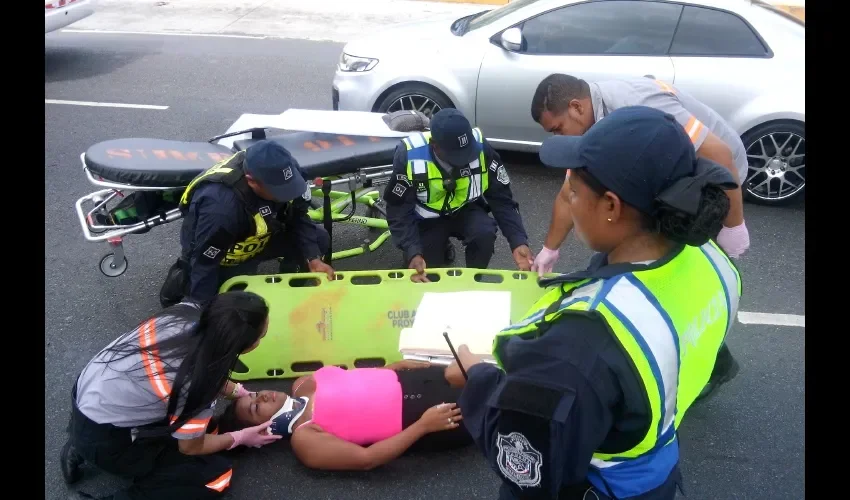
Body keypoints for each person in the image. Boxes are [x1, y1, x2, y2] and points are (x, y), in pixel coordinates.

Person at [444, 106, 743, 500]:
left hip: (598, 487)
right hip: (655, 470)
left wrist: (476, 377)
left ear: (611, 206)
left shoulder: (579, 346)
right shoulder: (712, 260)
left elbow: (529, 461)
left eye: (572, 191)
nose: (568, 200)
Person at [60, 291, 283, 500]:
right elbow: (190, 447)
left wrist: (236, 390)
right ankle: (91, 456)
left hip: (88, 395)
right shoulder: (198, 384)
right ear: (240, 346)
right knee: (214, 479)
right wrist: (239, 437)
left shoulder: (186, 312)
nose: (260, 397)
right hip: (102, 436)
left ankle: (78, 445)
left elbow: (197, 361)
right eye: (260, 337)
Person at [529, 73, 750, 272]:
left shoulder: (636, 104)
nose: (559, 137)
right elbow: (571, 191)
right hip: (670, 162)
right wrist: (550, 249)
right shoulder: (593, 123)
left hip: (721, 170)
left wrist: (733, 225)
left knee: (689, 248)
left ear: (576, 107)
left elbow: (719, 154)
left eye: (558, 129)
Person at [159, 140, 335, 307]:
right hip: (224, 252)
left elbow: (298, 214)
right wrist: (200, 311)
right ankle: (184, 286)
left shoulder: (284, 170)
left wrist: (313, 258)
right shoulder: (221, 209)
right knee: (228, 310)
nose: (288, 194)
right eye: (280, 191)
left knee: (318, 239)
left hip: (259, 237)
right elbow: (205, 263)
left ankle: (289, 287)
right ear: (251, 181)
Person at [216, 360, 472, 471]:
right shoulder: (305, 440)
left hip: (415, 378)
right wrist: (423, 426)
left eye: (254, 394)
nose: (261, 396)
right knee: (489, 403)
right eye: (255, 408)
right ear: (263, 431)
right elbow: (367, 459)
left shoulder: (302, 383)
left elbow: (353, 381)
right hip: (423, 416)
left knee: (483, 370)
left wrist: (391, 368)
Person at [382, 108, 534, 282]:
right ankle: (436, 249)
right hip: (426, 218)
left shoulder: (481, 148)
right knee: (427, 276)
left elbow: (502, 199)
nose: (464, 160)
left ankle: (472, 280)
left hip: (465, 209)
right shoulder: (409, 155)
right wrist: (412, 251)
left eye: (467, 152)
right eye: (456, 155)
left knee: (484, 233)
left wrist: (518, 241)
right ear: (434, 144)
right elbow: (398, 210)